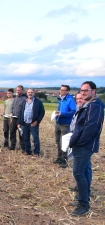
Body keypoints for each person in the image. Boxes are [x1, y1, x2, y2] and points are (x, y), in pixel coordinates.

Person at [68, 81, 104, 216]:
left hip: (84, 145)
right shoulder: (90, 105)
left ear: (93, 91)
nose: (83, 93)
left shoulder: (95, 106)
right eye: (81, 90)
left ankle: (83, 205)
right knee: (86, 171)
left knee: (78, 172)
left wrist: (78, 142)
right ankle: (84, 197)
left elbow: (90, 128)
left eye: (86, 90)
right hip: (82, 144)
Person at [53, 85, 76, 168]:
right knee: (58, 142)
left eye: (63, 90)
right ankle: (59, 158)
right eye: (61, 90)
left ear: (67, 91)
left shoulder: (70, 100)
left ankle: (64, 160)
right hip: (58, 123)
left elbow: (73, 111)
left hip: (65, 124)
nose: (61, 91)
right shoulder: (60, 99)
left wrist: (62, 114)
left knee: (64, 143)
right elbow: (60, 110)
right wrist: (56, 114)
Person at [17, 88, 45, 157]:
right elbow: (21, 112)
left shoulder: (38, 102)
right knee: (26, 138)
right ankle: (28, 151)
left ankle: (36, 152)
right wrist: (19, 122)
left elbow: (42, 112)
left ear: (34, 93)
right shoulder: (24, 101)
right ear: (27, 93)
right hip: (25, 123)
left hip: (33, 123)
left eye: (31, 92)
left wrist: (37, 121)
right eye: (29, 92)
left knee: (35, 138)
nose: (30, 93)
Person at [9, 85, 27, 151]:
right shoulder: (15, 98)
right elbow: (13, 107)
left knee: (21, 134)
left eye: (19, 90)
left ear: (22, 90)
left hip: (21, 119)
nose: (18, 91)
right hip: (14, 118)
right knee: (12, 132)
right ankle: (12, 146)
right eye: (17, 90)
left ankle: (23, 148)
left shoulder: (25, 99)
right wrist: (11, 113)